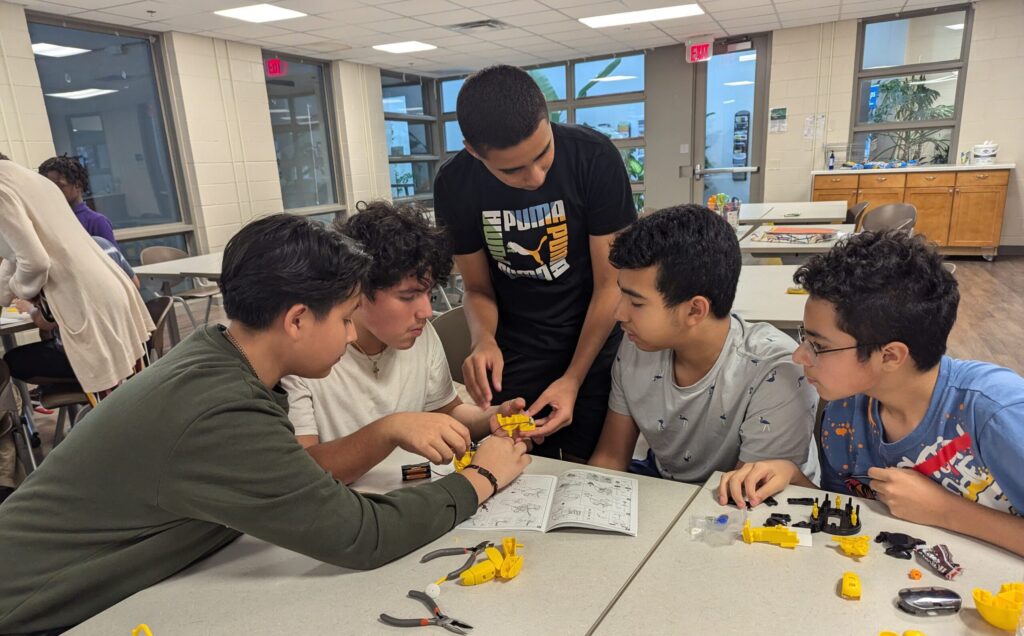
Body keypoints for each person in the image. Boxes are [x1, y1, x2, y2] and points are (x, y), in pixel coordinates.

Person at [0, 214, 530, 634]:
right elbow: (363, 535)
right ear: (297, 319)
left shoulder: (216, 357)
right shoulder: (219, 411)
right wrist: (481, 477)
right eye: (346, 319)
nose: (350, 337)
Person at [717, 231, 1024, 557]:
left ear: (890, 356)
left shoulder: (997, 412)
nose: (799, 356)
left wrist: (944, 510)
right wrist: (792, 477)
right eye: (804, 338)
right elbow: (854, 515)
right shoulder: (842, 415)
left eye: (818, 346)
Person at [434, 65, 637, 463]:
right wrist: (483, 340)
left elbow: (610, 286)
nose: (537, 176)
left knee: (589, 473)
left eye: (543, 154)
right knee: (515, 468)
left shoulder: (594, 157)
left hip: (595, 346)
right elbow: (477, 289)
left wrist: (573, 378)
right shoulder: (456, 184)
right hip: (518, 353)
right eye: (513, 169)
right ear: (474, 151)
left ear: (548, 118)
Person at [283, 201, 525, 484]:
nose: (425, 312)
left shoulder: (419, 335)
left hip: (408, 494)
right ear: (357, 291)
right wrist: (389, 430)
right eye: (408, 296)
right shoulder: (306, 354)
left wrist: (492, 418)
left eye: (429, 294)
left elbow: (446, 411)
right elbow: (303, 473)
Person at [587, 205, 818, 485]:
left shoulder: (776, 373)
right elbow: (611, 458)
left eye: (636, 302)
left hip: (744, 502)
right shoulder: (637, 344)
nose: (619, 314)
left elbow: (746, 497)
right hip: (669, 485)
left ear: (695, 310)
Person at [0, 157, 152, 394]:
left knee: (113, 403)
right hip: (110, 296)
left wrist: (19, 290)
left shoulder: (2, 189)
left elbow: (35, 262)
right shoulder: (34, 182)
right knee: (130, 397)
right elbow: (14, 257)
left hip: (86, 306)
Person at [38, 154, 118, 247]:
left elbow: (112, 259)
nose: (52, 192)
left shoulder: (96, 221)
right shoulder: (50, 222)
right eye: (47, 187)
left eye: (58, 186)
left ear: (78, 185)